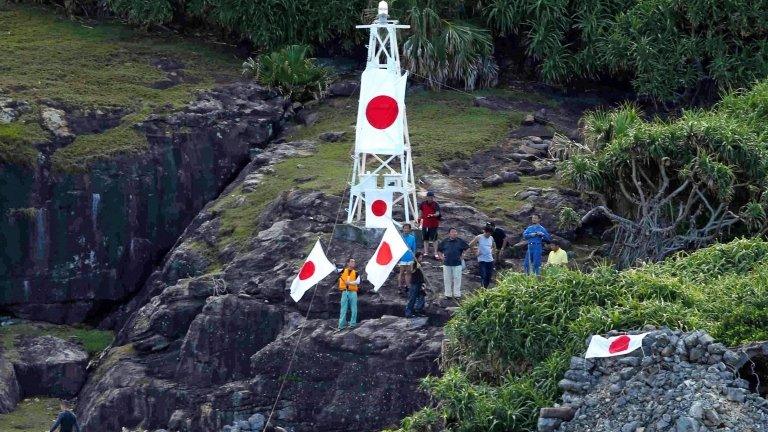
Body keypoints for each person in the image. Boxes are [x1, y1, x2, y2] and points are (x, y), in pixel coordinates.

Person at [438, 227, 469, 299]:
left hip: (457, 263)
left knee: (457, 278)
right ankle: (448, 294)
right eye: (452, 232)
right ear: (449, 233)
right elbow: (439, 250)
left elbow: (467, 248)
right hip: (447, 263)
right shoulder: (445, 241)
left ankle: (457, 294)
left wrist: (463, 255)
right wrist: (441, 257)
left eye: (455, 232)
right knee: (447, 279)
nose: (454, 233)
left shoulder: (460, 241)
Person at [338, 258, 360, 330]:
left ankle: (352, 323)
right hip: (344, 292)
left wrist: (350, 283)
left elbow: (358, 282)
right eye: (351, 262)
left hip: (353, 292)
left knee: (354, 308)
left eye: (354, 262)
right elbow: (335, 270)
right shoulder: (343, 270)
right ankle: (341, 325)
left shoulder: (356, 273)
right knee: (343, 308)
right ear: (348, 263)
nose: (353, 263)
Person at [418, 191, 441, 259]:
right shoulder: (423, 204)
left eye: (432, 197)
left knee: (434, 239)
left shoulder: (436, 204)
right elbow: (420, 212)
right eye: (429, 197)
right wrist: (419, 219)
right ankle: (426, 252)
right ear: (427, 197)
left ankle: (436, 253)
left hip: (433, 224)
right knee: (425, 238)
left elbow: (438, 213)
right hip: (425, 224)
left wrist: (433, 215)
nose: (431, 198)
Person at [405, 251, 426, 317]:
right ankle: (408, 312)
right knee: (412, 298)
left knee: (421, 297)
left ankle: (417, 311)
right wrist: (417, 267)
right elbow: (412, 271)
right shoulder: (413, 263)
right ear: (416, 257)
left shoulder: (420, 264)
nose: (421, 259)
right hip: (414, 283)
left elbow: (422, 274)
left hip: (420, 282)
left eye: (422, 257)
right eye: (420, 257)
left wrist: (424, 283)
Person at [398, 223, 417, 295]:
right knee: (401, 272)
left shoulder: (412, 238)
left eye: (407, 228)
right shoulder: (400, 237)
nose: (406, 229)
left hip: (410, 257)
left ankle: (407, 286)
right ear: (403, 229)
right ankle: (399, 287)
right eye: (405, 228)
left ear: (410, 229)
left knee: (408, 273)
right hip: (402, 257)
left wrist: (413, 258)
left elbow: (414, 248)